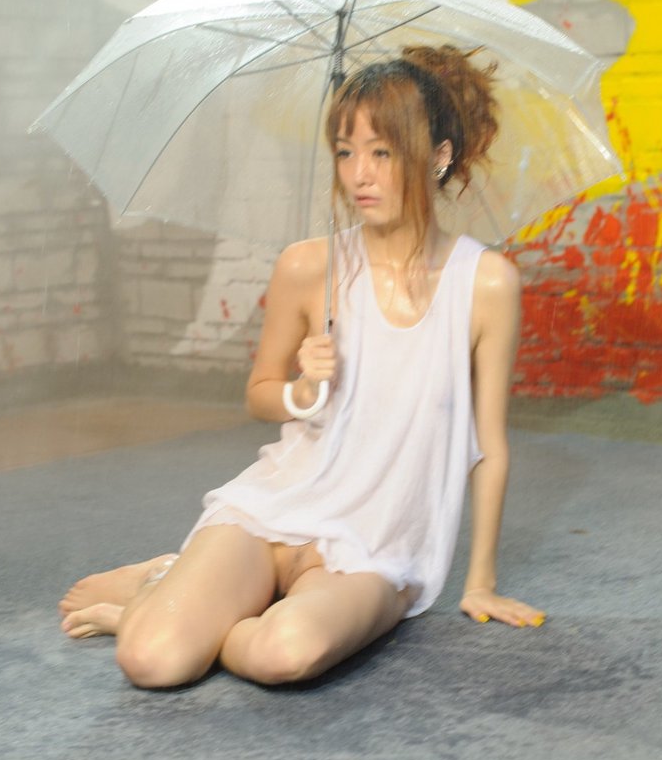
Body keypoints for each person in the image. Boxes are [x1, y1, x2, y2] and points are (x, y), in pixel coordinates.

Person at [58, 45, 545, 688]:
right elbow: (259, 394)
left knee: (284, 654)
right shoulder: (308, 266)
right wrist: (304, 390)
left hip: (374, 546)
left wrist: (479, 580)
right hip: (275, 509)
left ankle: (168, 596)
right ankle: (168, 587)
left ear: (438, 155)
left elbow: (490, 446)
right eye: (345, 152)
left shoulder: (485, 282)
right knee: (151, 661)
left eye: (382, 152)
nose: (359, 175)